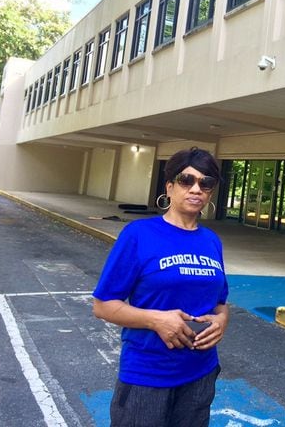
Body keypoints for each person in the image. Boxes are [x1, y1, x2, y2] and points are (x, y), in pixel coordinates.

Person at [93, 147, 230, 427]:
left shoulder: (211, 241)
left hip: (200, 372)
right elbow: (103, 305)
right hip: (147, 375)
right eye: (186, 180)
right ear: (169, 186)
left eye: (206, 183)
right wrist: (156, 320)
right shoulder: (139, 235)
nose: (196, 189)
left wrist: (222, 321)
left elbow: (220, 302)